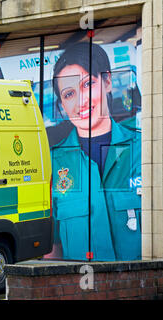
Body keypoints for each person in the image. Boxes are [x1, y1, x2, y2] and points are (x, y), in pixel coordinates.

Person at [49, 42, 141, 261]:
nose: (81, 101)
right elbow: (52, 250)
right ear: (62, 105)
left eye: (87, 84)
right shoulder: (54, 163)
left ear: (107, 81)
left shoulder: (145, 150)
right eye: (69, 94)